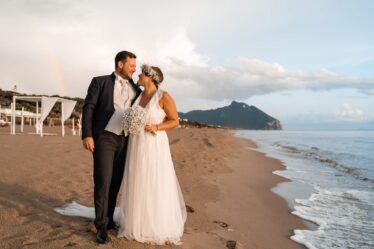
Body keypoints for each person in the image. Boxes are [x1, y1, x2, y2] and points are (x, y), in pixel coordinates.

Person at [117, 64, 187, 245]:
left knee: (154, 179)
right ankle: (136, 221)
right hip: (137, 142)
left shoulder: (164, 96)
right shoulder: (138, 96)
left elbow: (174, 121)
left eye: (141, 73)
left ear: (150, 77)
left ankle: (154, 224)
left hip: (154, 143)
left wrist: (156, 126)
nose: (138, 75)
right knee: (138, 178)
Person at [81, 51, 141, 244]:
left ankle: (108, 220)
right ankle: (101, 225)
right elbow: (88, 107)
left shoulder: (135, 89)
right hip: (104, 138)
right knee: (103, 182)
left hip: (125, 140)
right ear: (120, 64)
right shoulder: (100, 82)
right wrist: (87, 134)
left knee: (115, 183)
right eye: (131, 65)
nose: (134, 69)